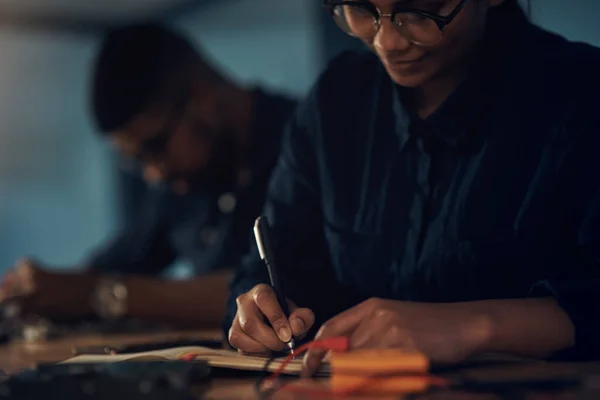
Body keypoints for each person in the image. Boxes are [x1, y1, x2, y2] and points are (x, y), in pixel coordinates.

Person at [227, 0, 600, 373]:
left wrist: (475, 326)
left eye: (420, 12)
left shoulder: (583, 96)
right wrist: (261, 308)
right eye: (359, 9)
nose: (387, 42)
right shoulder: (334, 103)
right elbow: (270, 263)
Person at [0, 23, 297, 328]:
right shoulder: (182, 183)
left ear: (201, 97)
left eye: (155, 148)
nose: (154, 174)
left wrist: (104, 295)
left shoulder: (306, 145)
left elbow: (287, 283)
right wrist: (42, 291)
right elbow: (114, 265)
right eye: (137, 161)